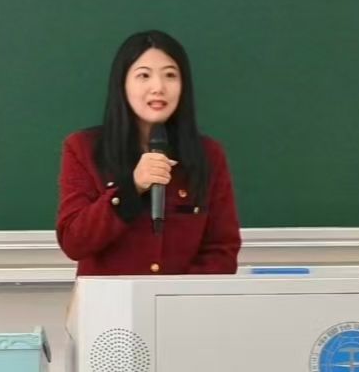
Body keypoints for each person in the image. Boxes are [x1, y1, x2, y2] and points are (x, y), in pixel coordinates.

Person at [56, 30, 241, 275]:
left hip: (183, 299)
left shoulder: (209, 155)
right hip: (110, 299)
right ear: (122, 84)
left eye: (170, 75)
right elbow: (73, 242)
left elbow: (222, 250)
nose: (158, 87)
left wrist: (174, 294)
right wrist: (131, 189)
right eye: (144, 75)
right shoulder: (83, 148)